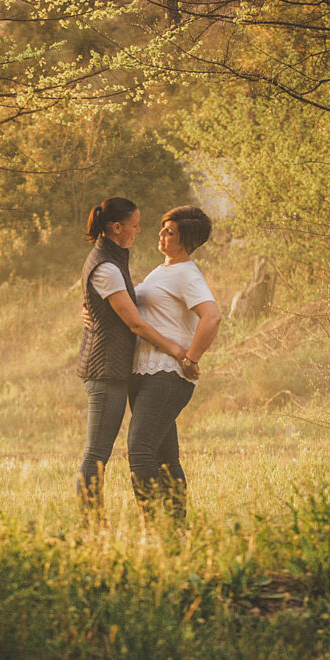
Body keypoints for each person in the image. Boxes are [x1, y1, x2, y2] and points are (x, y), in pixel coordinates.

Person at [77, 197, 195, 514]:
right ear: (117, 228)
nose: (139, 230)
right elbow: (135, 322)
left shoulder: (113, 259)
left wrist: (91, 310)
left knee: (140, 452)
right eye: (134, 225)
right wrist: (174, 348)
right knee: (97, 454)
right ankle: (93, 525)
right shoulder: (107, 266)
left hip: (117, 369)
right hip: (106, 371)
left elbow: (109, 304)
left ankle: (170, 522)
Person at [126, 205, 220, 524]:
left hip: (165, 376)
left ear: (188, 240)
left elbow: (212, 316)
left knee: (140, 452)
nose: (162, 235)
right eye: (163, 228)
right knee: (165, 457)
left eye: (171, 232)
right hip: (145, 374)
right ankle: (177, 531)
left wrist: (191, 357)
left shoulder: (187, 274)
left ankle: (151, 531)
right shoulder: (162, 269)